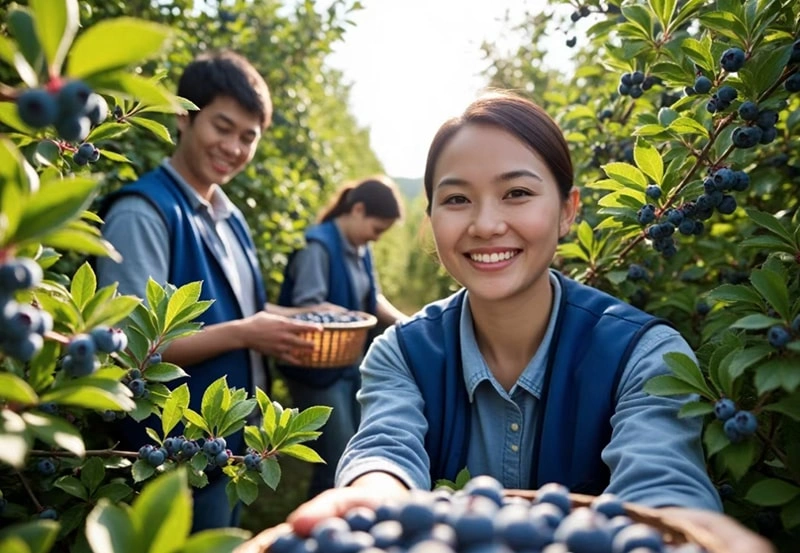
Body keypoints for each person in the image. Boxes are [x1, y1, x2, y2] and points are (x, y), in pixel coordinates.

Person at [279, 91, 775, 553]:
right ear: (429, 222)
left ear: (567, 211)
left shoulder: (642, 355)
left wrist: (680, 522)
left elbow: (661, 485)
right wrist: (370, 497)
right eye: (456, 199)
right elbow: (385, 449)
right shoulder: (402, 354)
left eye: (516, 192)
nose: (486, 224)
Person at [95, 50, 324, 531]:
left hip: (230, 453)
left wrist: (303, 314)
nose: (235, 148)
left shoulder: (229, 216)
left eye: (249, 137)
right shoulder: (144, 213)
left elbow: (241, 308)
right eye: (222, 127)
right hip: (173, 460)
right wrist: (246, 334)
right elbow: (134, 352)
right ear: (183, 117)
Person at [276, 176, 407, 498]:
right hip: (314, 364)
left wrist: (407, 322)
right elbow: (310, 310)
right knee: (336, 459)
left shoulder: (360, 249)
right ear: (358, 210)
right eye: (377, 229)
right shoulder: (316, 247)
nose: (376, 239)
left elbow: (371, 298)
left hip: (347, 361)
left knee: (356, 447)